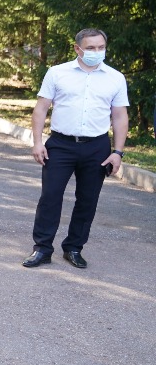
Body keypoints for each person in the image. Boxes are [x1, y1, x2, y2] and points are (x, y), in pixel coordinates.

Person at [22, 28, 129, 270]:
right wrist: (37, 142)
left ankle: (74, 248)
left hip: (97, 147)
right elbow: (41, 108)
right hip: (61, 145)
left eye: (101, 47)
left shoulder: (115, 78)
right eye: (91, 48)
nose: (96, 52)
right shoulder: (57, 73)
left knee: (87, 200)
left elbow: (120, 116)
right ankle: (42, 249)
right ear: (77, 48)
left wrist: (117, 152)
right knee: (50, 197)